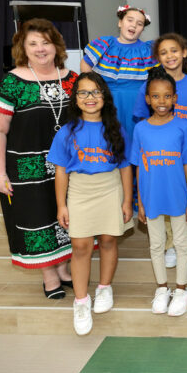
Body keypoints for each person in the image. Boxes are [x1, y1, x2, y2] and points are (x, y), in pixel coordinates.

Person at [0, 18, 77, 298]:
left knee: (65, 219)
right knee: (38, 220)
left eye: (46, 42)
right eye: (33, 44)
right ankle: (49, 276)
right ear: (23, 49)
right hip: (27, 170)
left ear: (57, 45)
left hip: (69, 168)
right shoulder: (12, 83)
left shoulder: (72, 79)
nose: (41, 49)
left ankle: (63, 268)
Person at [47, 73, 132, 335]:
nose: (90, 98)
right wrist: (62, 205)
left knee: (108, 240)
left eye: (95, 92)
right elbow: (61, 171)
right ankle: (81, 301)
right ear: (75, 99)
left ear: (105, 97)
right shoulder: (68, 132)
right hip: (81, 191)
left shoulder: (116, 129)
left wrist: (127, 199)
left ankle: (105, 287)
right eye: (83, 93)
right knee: (81, 245)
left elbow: (126, 167)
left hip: (110, 189)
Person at [133, 33, 187, 267]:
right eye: (164, 52)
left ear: (184, 53)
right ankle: (169, 244)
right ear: (157, 57)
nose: (170, 56)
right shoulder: (148, 87)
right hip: (161, 156)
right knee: (165, 196)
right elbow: (141, 119)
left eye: (174, 50)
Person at [132, 67, 187, 317]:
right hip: (151, 197)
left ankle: (182, 289)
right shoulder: (140, 129)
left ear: (175, 98)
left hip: (178, 197)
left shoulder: (183, 128)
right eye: (156, 96)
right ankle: (162, 288)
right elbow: (139, 167)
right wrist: (141, 200)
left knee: (182, 244)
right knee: (156, 244)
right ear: (148, 99)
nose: (162, 101)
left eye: (167, 96)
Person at [81, 5, 155, 146]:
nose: (134, 25)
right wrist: (92, 90)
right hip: (109, 99)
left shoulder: (148, 50)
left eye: (139, 24)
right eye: (130, 20)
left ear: (142, 29)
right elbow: (85, 63)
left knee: (136, 142)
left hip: (137, 101)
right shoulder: (105, 44)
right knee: (110, 139)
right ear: (120, 22)